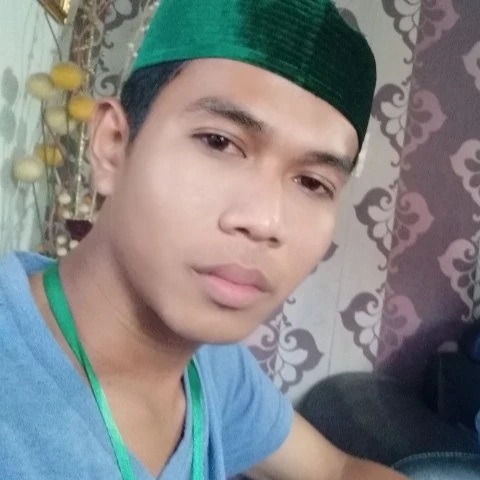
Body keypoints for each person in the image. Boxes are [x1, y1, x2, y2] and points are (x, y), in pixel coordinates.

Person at [0, 0, 408, 478]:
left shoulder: (211, 368)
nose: (265, 221)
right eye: (219, 142)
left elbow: (337, 470)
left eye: (313, 183)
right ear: (112, 146)